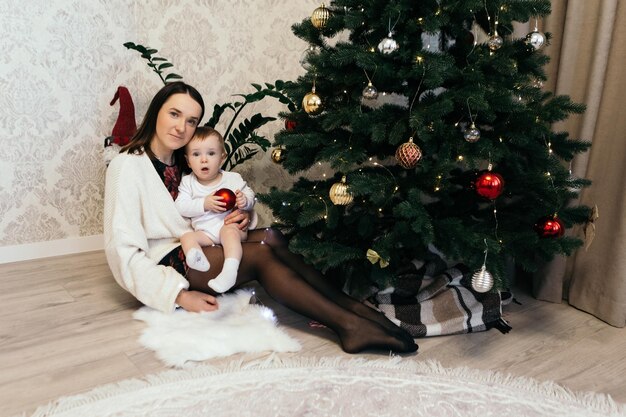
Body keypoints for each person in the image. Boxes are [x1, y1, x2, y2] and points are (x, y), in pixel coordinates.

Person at [103, 81, 418, 354]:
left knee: (271, 237)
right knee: (260, 257)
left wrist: (241, 217)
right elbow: (122, 250)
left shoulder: (187, 160)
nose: (181, 127)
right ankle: (349, 326)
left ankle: (351, 306)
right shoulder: (128, 166)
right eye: (174, 114)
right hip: (170, 259)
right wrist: (179, 295)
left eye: (191, 120)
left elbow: (211, 206)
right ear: (156, 111)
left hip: (201, 244)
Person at [175, 126, 254, 293]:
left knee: (228, 232)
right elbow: (181, 206)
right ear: (188, 161)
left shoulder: (232, 179)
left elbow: (249, 194)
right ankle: (197, 259)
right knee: (187, 236)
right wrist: (204, 203)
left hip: (231, 227)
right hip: (206, 233)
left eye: (211, 153)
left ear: (222, 157)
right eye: (196, 154)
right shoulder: (188, 182)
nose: (204, 160)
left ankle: (229, 272)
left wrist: (244, 200)